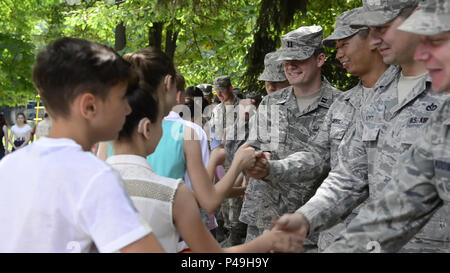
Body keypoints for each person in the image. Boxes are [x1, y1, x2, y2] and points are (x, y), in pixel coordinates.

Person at [273, 0, 450, 253]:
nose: (375, 41)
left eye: (383, 28)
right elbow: (401, 198)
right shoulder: (377, 96)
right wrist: (306, 220)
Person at [247, 7, 392, 252]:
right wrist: (270, 167)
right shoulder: (345, 105)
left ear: (376, 39)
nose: (340, 54)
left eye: (344, 44)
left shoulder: (411, 93)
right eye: (337, 47)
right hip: (323, 229)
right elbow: (322, 160)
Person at [0, 37, 164, 252]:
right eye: (122, 98)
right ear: (89, 107)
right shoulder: (94, 176)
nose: (128, 109)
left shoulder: (8, 166)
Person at [106, 80, 304, 253]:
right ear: (147, 129)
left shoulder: (88, 183)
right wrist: (267, 241)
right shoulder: (171, 194)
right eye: (162, 123)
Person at [240, 25, 342, 252]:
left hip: (309, 223)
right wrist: (256, 158)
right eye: (286, 60)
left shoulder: (342, 105)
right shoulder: (270, 102)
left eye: (299, 59)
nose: (290, 66)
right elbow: (257, 145)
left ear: (320, 59)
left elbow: (337, 166)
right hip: (265, 218)